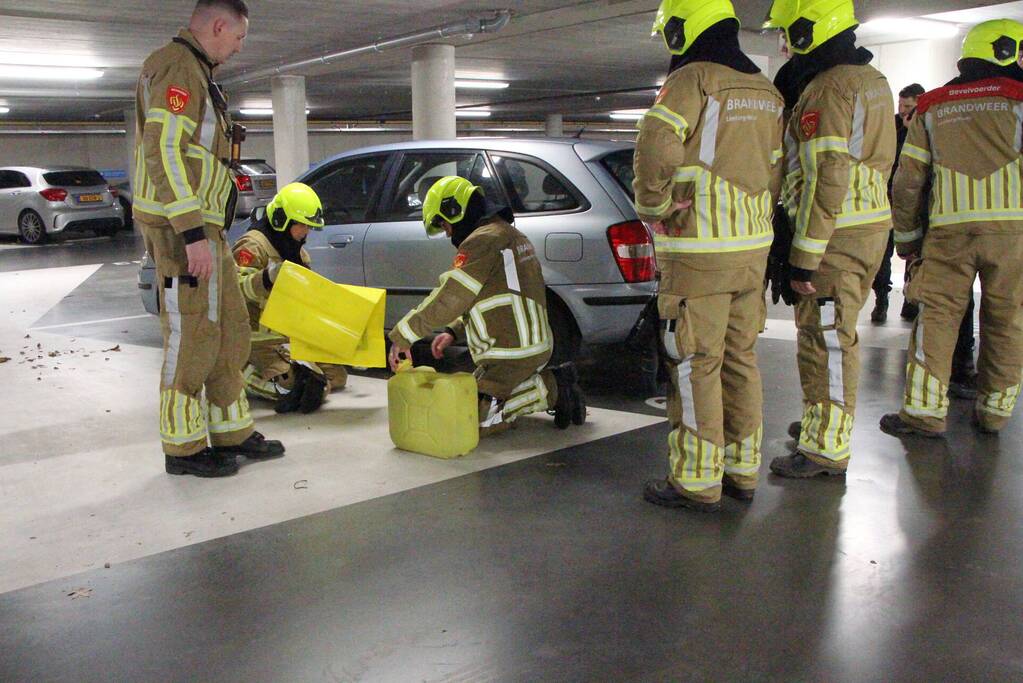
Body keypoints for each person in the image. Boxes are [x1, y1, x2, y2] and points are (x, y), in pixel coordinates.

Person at [635, 0, 784, 512]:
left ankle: (697, 480)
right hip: (752, 250)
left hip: (698, 252)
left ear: (683, 29)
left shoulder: (692, 79)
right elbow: (777, 169)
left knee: (695, 363)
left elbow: (657, 142)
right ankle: (742, 472)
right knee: (742, 360)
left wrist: (654, 204)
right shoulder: (766, 89)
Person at [134, 0, 283, 478]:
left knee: (230, 331)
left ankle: (231, 432)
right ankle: (183, 449)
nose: (240, 48)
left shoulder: (197, 72)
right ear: (218, 26)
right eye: (238, 37)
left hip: (204, 227)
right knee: (192, 335)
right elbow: (165, 151)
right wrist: (192, 232)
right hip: (182, 231)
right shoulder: (177, 67)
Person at [764, 0, 896, 479]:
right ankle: (824, 424)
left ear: (810, 30)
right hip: (865, 227)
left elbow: (828, 174)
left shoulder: (826, 88)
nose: (782, 44)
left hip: (834, 235)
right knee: (831, 336)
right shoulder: (870, 79)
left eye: (787, 33)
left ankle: (825, 449)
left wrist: (804, 254)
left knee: (826, 341)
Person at [880, 19, 1023, 438]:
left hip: (947, 232)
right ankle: (995, 412)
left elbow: (908, 180)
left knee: (937, 319)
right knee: (1007, 318)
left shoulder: (933, 105)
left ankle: (923, 413)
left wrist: (906, 240)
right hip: (1012, 232)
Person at [386, 176, 585, 436]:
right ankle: (517, 391)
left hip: (512, 353)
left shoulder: (484, 240)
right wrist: (453, 331)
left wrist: (404, 336)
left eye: (444, 224)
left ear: (454, 211)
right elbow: (491, 295)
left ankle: (554, 388)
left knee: (472, 421)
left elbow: (451, 296)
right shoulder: (507, 235)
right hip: (516, 348)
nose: (447, 233)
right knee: (464, 400)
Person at [232, 182, 348, 414]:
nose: (306, 232)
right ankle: (239, 373)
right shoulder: (253, 245)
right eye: (302, 225)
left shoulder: (297, 251)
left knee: (336, 377)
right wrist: (267, 278)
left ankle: (289, 370)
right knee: (297, 387)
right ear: (281, 220)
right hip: (255, 337)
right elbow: (237, 290)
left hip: (287, 334)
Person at [871, 83, 925, 323]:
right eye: (901, 105)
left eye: (909, 106)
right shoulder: (891, 125)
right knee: (883, 251)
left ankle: (909, 300)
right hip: (887, 197)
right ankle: (881, 299)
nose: (903, 111)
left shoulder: (924, 126)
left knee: (912, 252)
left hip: (913, 201)